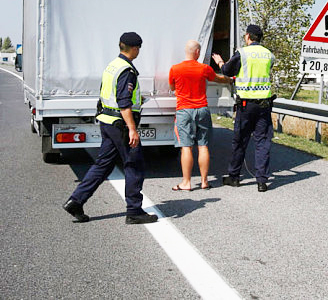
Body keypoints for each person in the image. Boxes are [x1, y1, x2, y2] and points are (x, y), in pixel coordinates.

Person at [63, 32, 158, 225]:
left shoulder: (112, 65)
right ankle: (134, 211)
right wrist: (132, 129)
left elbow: (111, 94)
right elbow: (123, 103)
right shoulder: (127, 71)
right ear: (135, 49)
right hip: (120, 125)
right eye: (139, 48)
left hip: (107, 121)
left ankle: (76, 200)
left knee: (103, 165)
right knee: (134, 164)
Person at [211, 24, 275, 192]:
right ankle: (261, 181)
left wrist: (219, 61)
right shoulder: (269, 55)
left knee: (240, 141)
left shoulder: (243, 53)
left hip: (246, 105)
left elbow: (227, 71)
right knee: (262, 142)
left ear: (248, 37)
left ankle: (234, 177)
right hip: (264, 105)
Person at [169, 39, 231, 191]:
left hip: (184, 110)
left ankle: (186, 183)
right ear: (197, 52)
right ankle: (204, 181)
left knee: (186, 147)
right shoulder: (204, 68)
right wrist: (230, 79)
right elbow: (219, 79)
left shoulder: (175, 69)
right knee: (203, 146)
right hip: (202, 109)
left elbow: (172, 87)